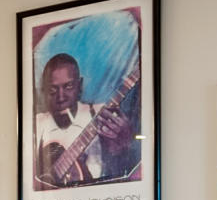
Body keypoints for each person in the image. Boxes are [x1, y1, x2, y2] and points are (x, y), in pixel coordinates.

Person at [30, 11, 143, 190]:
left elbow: (123, 166)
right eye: (53, 89)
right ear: (43, 91)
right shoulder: (35, 125)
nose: (61, 96)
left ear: (79, 85)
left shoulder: (102, 115)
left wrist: (124, 143)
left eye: (68, 87)